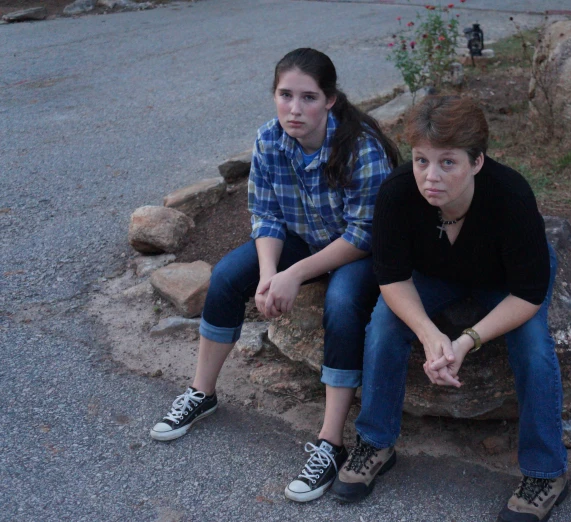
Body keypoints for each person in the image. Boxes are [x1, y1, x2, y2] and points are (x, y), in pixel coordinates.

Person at [148, 48, 400, 503]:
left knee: (342, 305)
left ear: (330, 100)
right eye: (285, 95)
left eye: (308, 97)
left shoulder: (362, 147)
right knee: (226, 276)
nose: (294, 108)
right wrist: (269, 275)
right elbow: (265, 215)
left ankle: (330, 441)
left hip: (359, 250)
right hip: (303, 236)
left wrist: (296, 274)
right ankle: (202, 393)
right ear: (274, 96)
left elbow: (364, 233)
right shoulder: (269, 140)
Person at [330, 96, 568, 522]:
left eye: (447, 163)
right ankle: (376, 443)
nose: (430, 176)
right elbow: (392, 279)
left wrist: (465, 341)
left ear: (477, 161)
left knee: (532, 344)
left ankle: (545, 472)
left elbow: (528, 295)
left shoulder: (511, 196)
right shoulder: (398, 193)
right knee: (385, 324)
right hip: (438, 273)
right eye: (422, 160)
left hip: (505, 280)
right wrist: (429, 332)